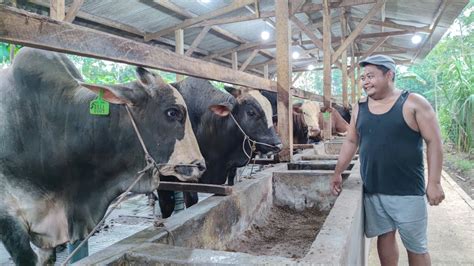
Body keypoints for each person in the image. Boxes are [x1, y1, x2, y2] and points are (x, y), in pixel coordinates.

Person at [330, 54, 445, 266]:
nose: (365, 82)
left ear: (389, 75)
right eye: (363, 77)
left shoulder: (413, 103)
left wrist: (435, 182)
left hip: (408, 192)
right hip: (374, 190)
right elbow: (350, 141)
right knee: (384, 236)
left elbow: (434, 142)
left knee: (416, 246)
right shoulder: (360, 107)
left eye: (371, 76)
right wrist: (338, 172)